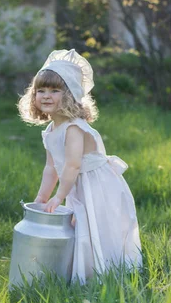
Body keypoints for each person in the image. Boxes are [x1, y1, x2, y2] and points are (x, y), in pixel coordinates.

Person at [17, 49, 142, 283]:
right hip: (76, 183)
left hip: (96, 183)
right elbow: (51, 168)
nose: (46, 96)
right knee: (80, 226)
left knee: (98, 226)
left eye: (55, 90)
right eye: (40, 90)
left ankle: (108, 274)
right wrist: (43, 197)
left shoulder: (74, 128)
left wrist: (59, 197)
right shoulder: (50, 130)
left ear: (70, 94)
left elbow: (73, 166)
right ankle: (85, 274)